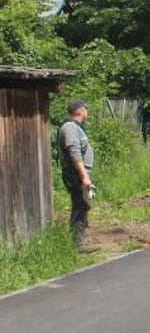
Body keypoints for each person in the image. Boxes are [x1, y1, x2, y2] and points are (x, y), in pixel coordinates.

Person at [57, 99, 95, 250]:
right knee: (80, 205)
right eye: (85, 109)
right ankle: (79, 244)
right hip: (75, 175)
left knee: (83, 205)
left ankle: (81, 240)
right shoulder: (70, 127)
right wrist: (84, 176)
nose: (87, 111)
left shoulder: (75, 127)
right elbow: (74, 152)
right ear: (79, 111)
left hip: (78, 174)